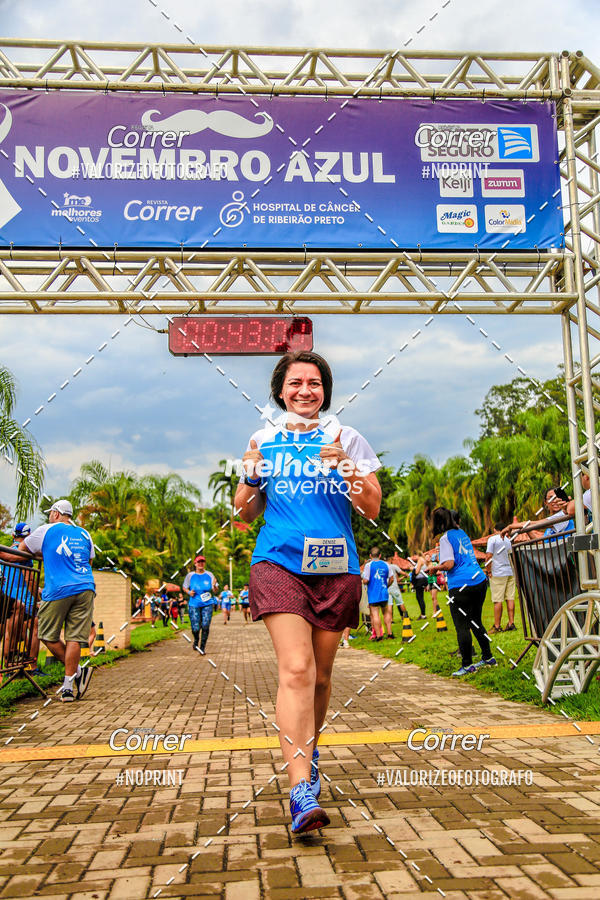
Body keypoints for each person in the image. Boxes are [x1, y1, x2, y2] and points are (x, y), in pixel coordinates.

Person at [235, 349, 382, 834]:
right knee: (297, 668)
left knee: (319, 678)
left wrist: (348, 468)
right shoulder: (263, 439)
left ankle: (309, 750)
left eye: (314, 383)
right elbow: (244, 513)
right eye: (295, 383)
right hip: (278, 562)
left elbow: (372, 508)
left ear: (325, 391)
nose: (305, 390)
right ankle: (301, 789)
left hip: (336, 567)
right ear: (281, 391)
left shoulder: (346, 436)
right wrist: (251, 477)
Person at [20, 500, 95, 702]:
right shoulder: (84, 534)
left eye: (50, 513)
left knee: (46, 633)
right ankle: (68, 688)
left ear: (55, 513)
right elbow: (89, 562)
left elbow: (22, 548)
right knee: (74, 638)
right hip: (85, 587)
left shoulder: (46, 530)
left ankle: (78, 672)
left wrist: (44, 554)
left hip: (59, 589)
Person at [430, 507, 496, 677]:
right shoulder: (462, 533)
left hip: (461, 585)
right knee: (475, 621)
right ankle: (488, 657)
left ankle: (467, 665)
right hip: (479, 580)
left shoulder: (445, 538)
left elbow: (449, 564)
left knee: (462, 626)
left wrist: (434, 568)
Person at [484, 524, 516, 633]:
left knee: (497, 600)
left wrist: (488, 570)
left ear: (494, 530)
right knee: (510, 598)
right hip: (509, 571)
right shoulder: (508, 540)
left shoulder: (492, 539)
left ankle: (497, 626)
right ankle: (511, 623)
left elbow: (488, 556)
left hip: (498, 572)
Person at [183, 555, 218, 653]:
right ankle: (196, 639)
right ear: (195, 564)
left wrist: (214, 585)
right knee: (195, 628)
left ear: (204, 563)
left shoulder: (210, 575)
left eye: (202, 562)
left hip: (207, 604)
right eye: (199, 562)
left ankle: (202, 647)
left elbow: (215, 590)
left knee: (205, 626)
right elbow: (184, 587)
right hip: (194, 604)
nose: (201, 564)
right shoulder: (190, 575)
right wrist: (189, 592)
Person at [362, 547, 394, 640]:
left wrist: (363, 581)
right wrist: (387, 586)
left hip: (373, 594)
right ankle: (390, 634)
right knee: (386, 613)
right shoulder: (386, 564)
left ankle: (379, 636)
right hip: (384, 592)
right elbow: (392, 579)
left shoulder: (368, 565)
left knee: (375, 614)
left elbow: (366, 580)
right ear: (380, 555)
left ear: (370, 556)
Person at [409, 551, 428, 618]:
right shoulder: (422, 560)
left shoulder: (420, 560)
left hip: (421, 581)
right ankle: (423, 614)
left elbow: (417, 572)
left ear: (417, 555)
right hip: (421, 580)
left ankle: (423, 614)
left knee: (420, 597)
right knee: (419, 597)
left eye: (414, 556)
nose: (413, 557)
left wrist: (412, 568)